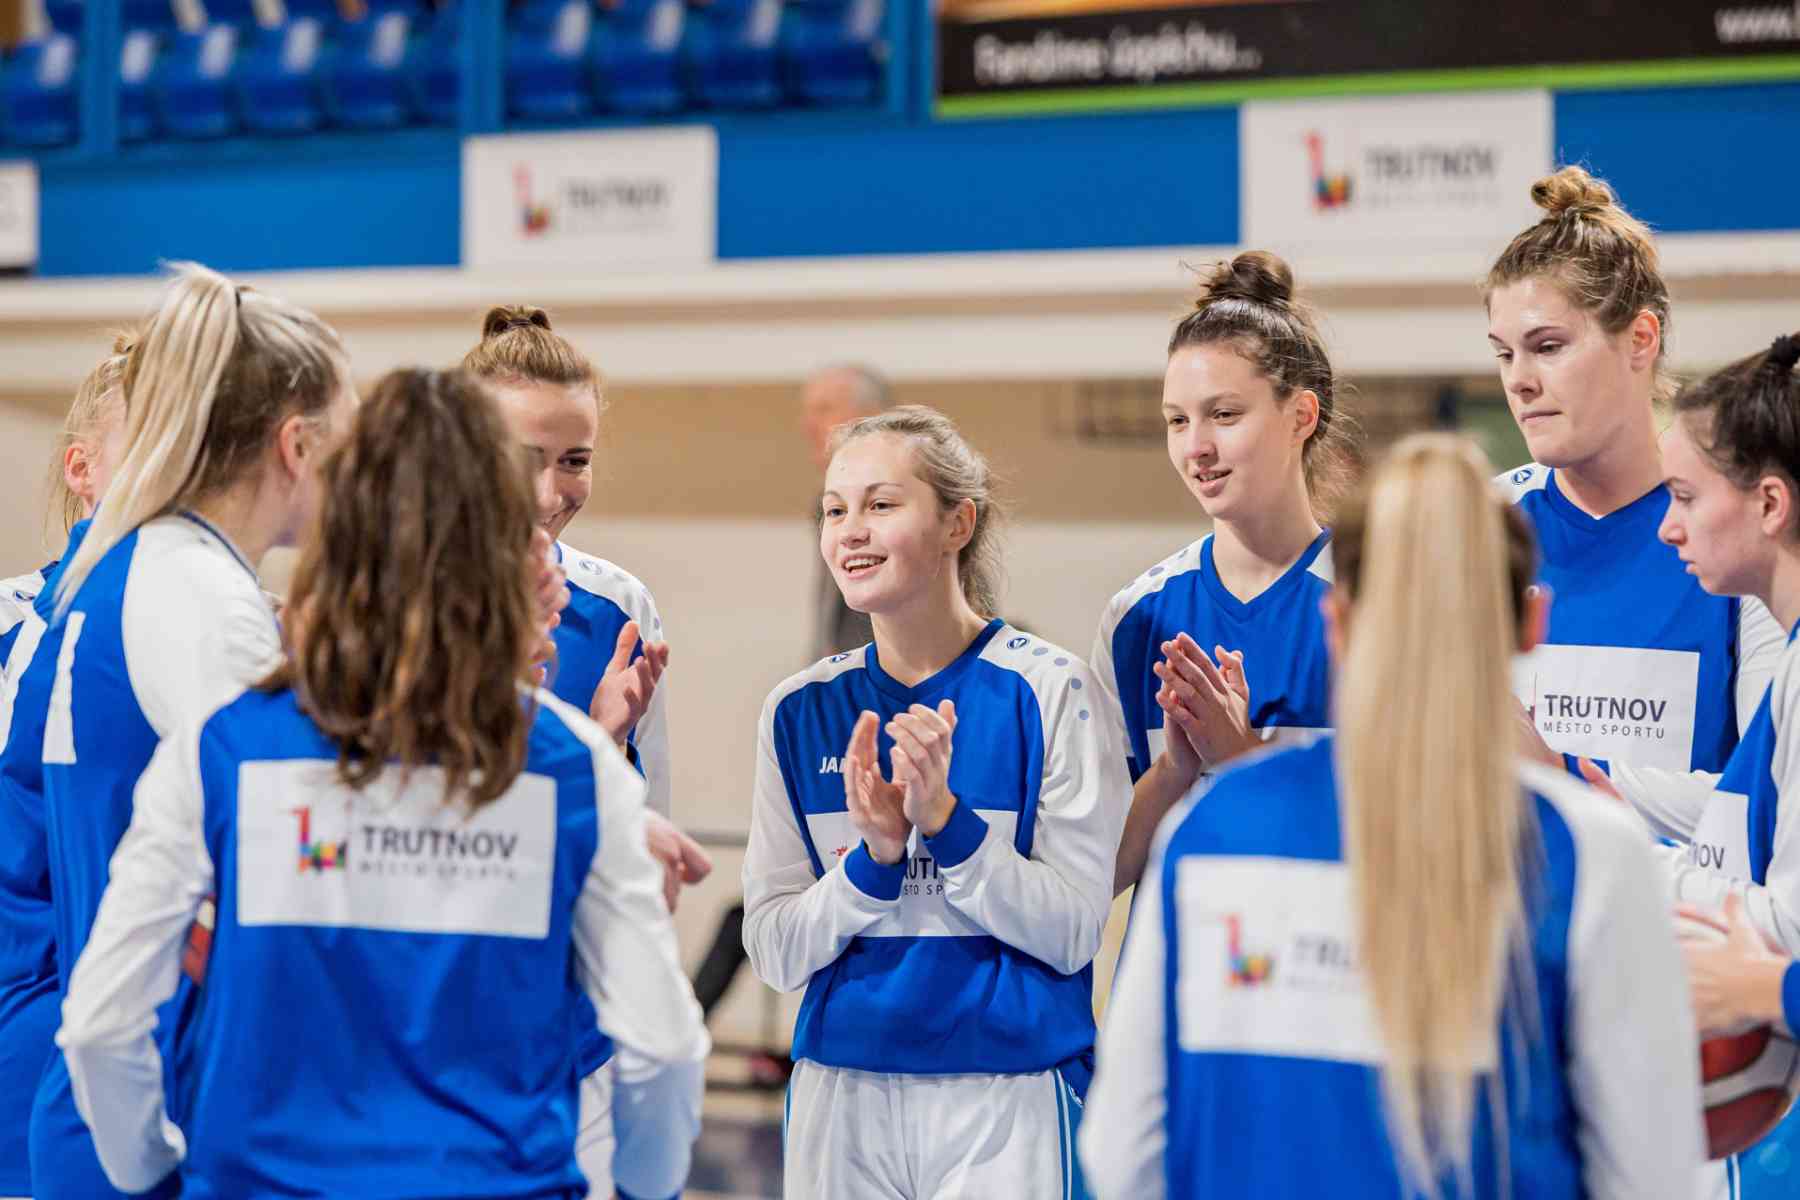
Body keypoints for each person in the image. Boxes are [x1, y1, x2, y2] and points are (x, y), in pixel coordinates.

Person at [55, 366, 710, 1199]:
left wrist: (150, 1174)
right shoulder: (577, 762)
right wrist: (647, 1187)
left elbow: (103, 1026)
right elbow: (665, 1047)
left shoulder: (220, 744)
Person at [1079, 433, 1702, 1199]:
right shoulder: (1589, 850)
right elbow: (1652, 1177)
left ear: (1335, 621)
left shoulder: (1208, 832)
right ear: (1531, 623)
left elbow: (1122, 1156)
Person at [14, 263, 353, 1200]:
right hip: (162, 1101)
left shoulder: (144, 563)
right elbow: (304, 865)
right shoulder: (201, 599)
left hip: (122, 1090)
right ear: (296, 446)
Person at [743, 404, 1131, 1198]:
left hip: (1009, 1092)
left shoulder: (1052, 690)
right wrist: (874, 863)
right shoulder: (797, 710)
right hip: (840, 1093)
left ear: (960, 523)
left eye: (881, 504)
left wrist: (949, 826)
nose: (851, 531)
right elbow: (776, 951)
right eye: (834, 510)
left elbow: (1070, 933)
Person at [461, 305, 708, 1200]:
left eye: (575, 459)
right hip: (442, 1033)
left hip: (580, 1039)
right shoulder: (386, 606)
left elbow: (642, 844)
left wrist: (605, 747)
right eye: (523, 457)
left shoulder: (617, 608)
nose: (550, 491)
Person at [1487, 166, 1783, 778]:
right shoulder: (1479, 523)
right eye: (1504, 353)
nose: (1519, 380)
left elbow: (1769, 796)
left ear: (1640, 340)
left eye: (1548, 346)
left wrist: (1564, 774)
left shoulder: (1741, 525)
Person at [1095, 251, 1354, 895]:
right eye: (1177, 421)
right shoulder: (1137, 617)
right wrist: (1175, 772)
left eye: (1225, 415)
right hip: (1173, 958)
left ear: (1302, 416)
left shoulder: (1372, 603)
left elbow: (1410, 843)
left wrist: (1241, 757)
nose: (1196, 447)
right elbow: (1095, 882)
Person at [0, 334, 131, 1200]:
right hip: (34, 1063)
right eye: (153, 446)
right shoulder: (15, 628)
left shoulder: (246, 626)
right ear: (82, 468)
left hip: (174, 1066)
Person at [800, 364, 890, 659]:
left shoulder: (907, 501)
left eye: (824, 409)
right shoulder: (824, 503)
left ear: (870, 418)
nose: (809, 426)